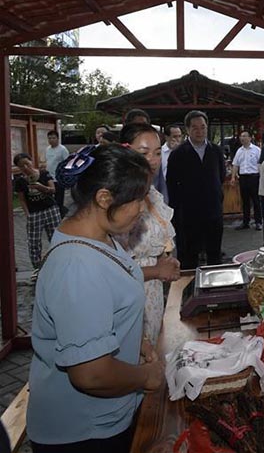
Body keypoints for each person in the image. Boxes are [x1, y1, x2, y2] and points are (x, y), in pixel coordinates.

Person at [27, 144, 164, 452]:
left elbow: (106, 305)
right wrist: (145, 376)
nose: (143, 208)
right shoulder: (77, 266)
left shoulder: (98, 236)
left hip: (105, 418)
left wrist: (132, 341)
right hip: (82, 433)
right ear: (104, 198)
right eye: (138, 198)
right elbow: (91, 374)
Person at [117, 123, 181, 344]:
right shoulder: (116, 202)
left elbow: (161, 240)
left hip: (153, 292)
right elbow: (110, 271)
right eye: (143, 153)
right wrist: (157, 270)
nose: (152, 161)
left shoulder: (151, 193)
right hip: (128, 297)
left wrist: (165, 259)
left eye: (157, 153)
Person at [166, 110, 225, 269]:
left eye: (203, 127)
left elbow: (221, 177)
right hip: (188, 216)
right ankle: (188, 291)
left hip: (213, 213)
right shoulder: (178, 154)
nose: (200, 131)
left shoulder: (216, 151)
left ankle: (214, 289)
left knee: (215, 255)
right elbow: (171, 185)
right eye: (195, 128)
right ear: (187, 129)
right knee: (188, 256)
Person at [13, 153, 62, 280]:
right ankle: (38, 268)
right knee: (34, 242)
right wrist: (27, 214)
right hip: (34, 213)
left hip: (50, 209)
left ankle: (58, 265)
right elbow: (22, 200)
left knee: (56, 238)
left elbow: (53, 190)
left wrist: (41, 187)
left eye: (26, 163)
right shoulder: (20, 181)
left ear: (31, 161)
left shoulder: (43, 173)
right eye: (21, 166)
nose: (25, 167)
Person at [231, 130, 263, 231]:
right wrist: (233, 177)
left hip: (254, 177)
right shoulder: (239, 151)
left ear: (250, 138)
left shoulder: (257, 150)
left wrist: (262, 177)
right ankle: (246, 222)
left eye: (245, 136)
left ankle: (258, 222)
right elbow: (235, 165)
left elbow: (260, 164)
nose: (242, 138)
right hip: (243, 178)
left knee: (256, 201)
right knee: (245, 201)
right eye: (241, 136)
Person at [45, 130, 69, 217]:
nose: (51, 140)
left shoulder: (62, 150)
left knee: (59, 198)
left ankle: (60, 215)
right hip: (49, 178)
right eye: (49, 138)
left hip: (58, 178)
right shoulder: (47, 149)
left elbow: (67, 163)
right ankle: (52, 214)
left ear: (58, 139)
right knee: (50, 198)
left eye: (53, 138)